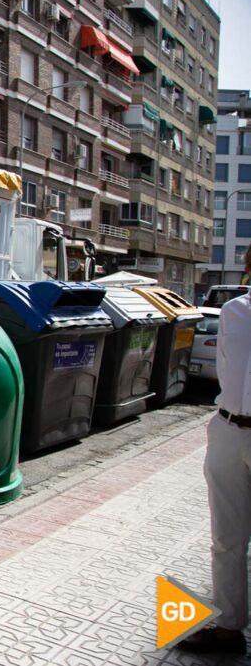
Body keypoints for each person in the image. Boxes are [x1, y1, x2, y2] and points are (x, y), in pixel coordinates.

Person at [179, 246, 251, 655]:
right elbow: (227, 369)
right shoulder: (232, 312)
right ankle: (228, 626)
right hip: (227, 428)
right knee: (227, 537)